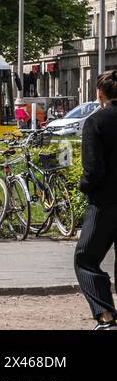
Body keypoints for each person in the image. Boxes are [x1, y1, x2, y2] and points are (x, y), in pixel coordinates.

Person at [75, 69, 117, 330]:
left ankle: (106, 315)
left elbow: (94, 169)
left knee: (86, 258)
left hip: (105, 202)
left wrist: (84, 186)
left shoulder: (96, 122)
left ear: (99, 93)